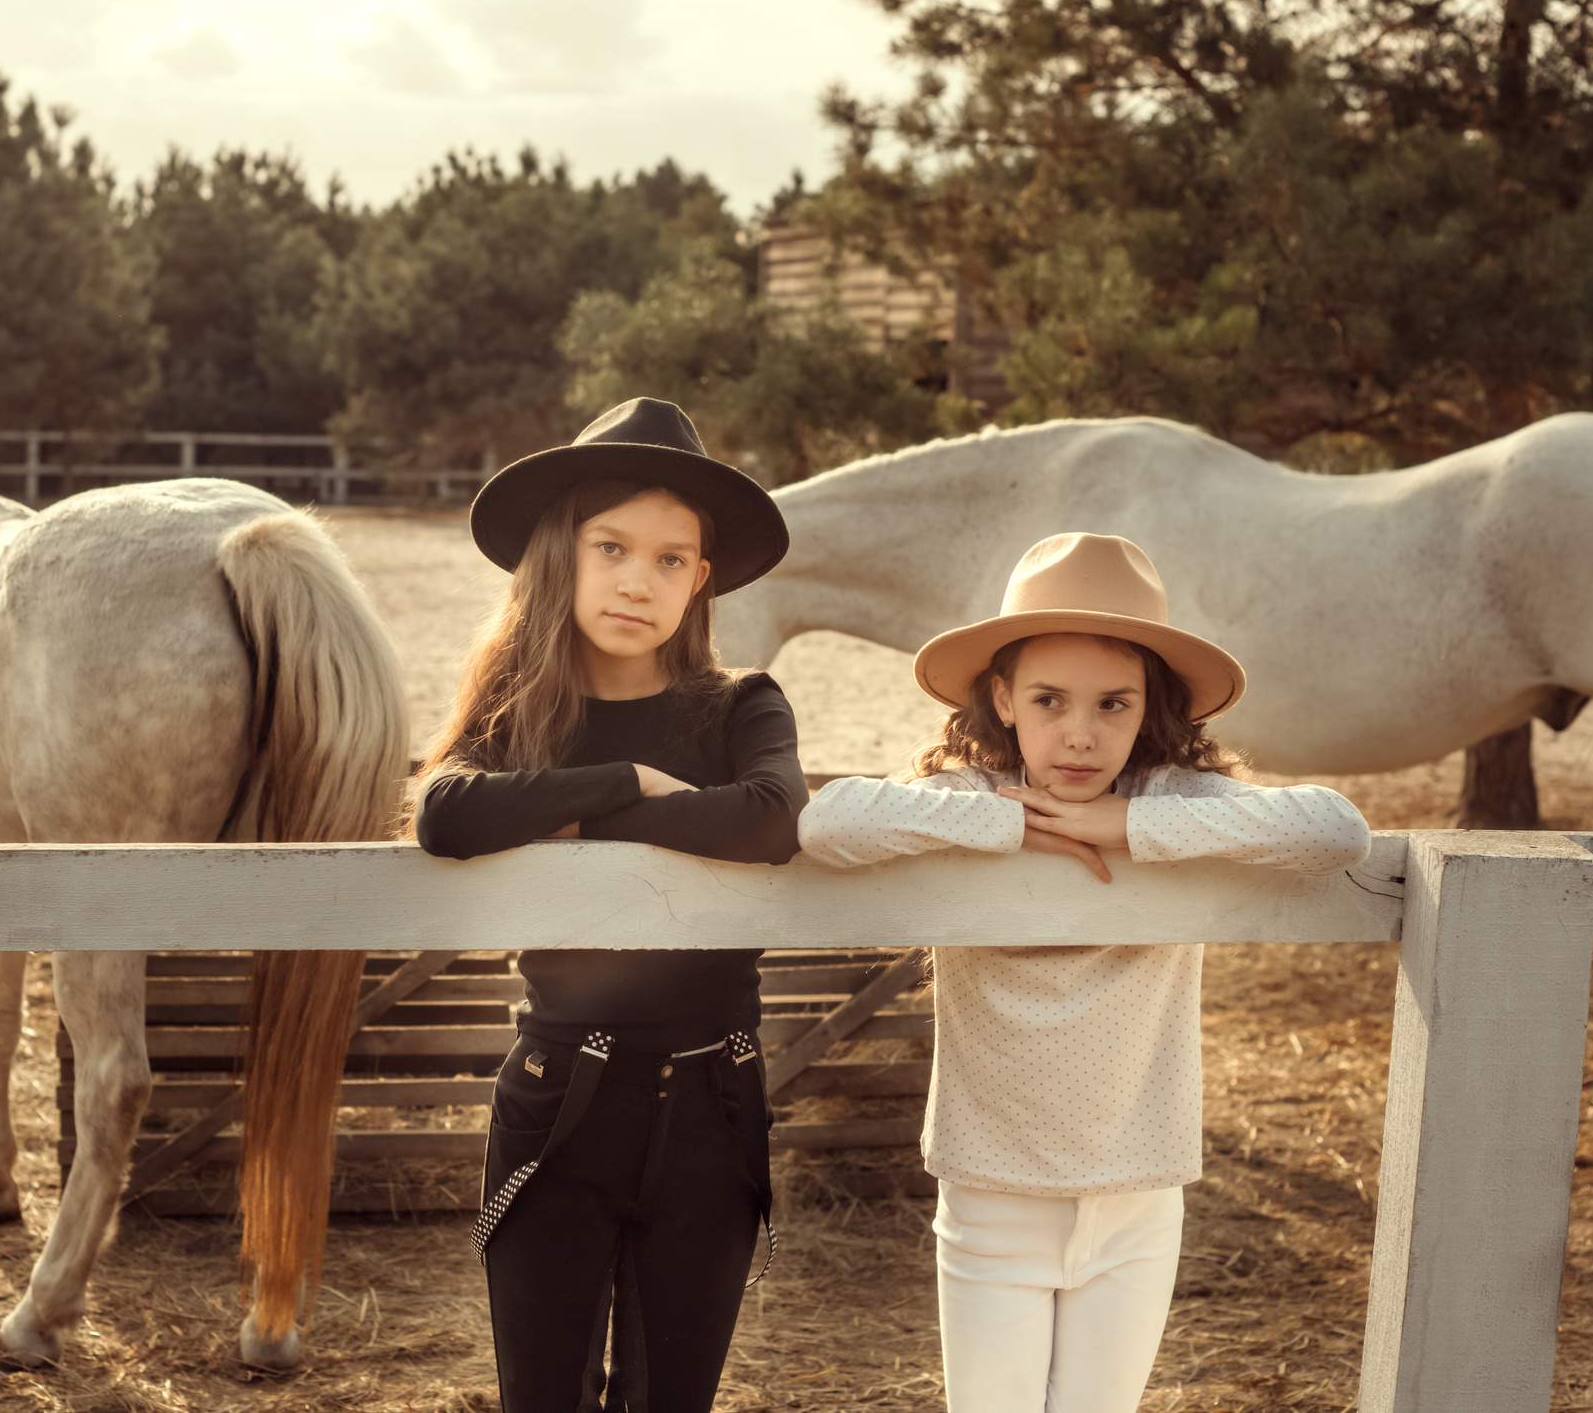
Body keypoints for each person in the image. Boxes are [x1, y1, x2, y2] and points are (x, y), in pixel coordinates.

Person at [797, 532, 1370, 1413]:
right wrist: (1016, 826)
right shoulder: (971, 796)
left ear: (1150, 706)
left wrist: (1123, 828)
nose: (1079, 732)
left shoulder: (1174, 801)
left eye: (1113, 703)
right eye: (1049, 699)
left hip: (1138, 1192)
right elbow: (827, 824)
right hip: (992, 1192)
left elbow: (1334, 832)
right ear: (1002, 697)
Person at [416, 397, 806, 1412]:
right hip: (559, 1097)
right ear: (563, 552)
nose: (640, 579)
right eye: (614, 546)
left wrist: (580, 825)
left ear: (701, 580)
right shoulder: (515, 714)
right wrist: (625, 783)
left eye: (672, 559)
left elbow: (770, 820)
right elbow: (446, 816)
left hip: (713, 1100)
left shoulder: (740, 705)